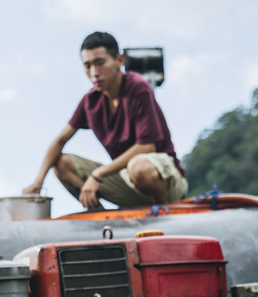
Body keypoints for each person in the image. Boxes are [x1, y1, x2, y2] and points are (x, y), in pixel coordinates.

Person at [23, 31, 188, 210]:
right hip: (127, 182)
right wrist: (38, 182)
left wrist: (98, 174)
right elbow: (60, 140)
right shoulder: (90, 101)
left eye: (100, 63)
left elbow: (147, 147)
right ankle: (99, 216)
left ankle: (162, 212)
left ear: (119, 60)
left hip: (164, 181)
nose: (94, 73)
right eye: (87, 66)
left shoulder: (138, 87)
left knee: (139, 166)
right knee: (61, 164)